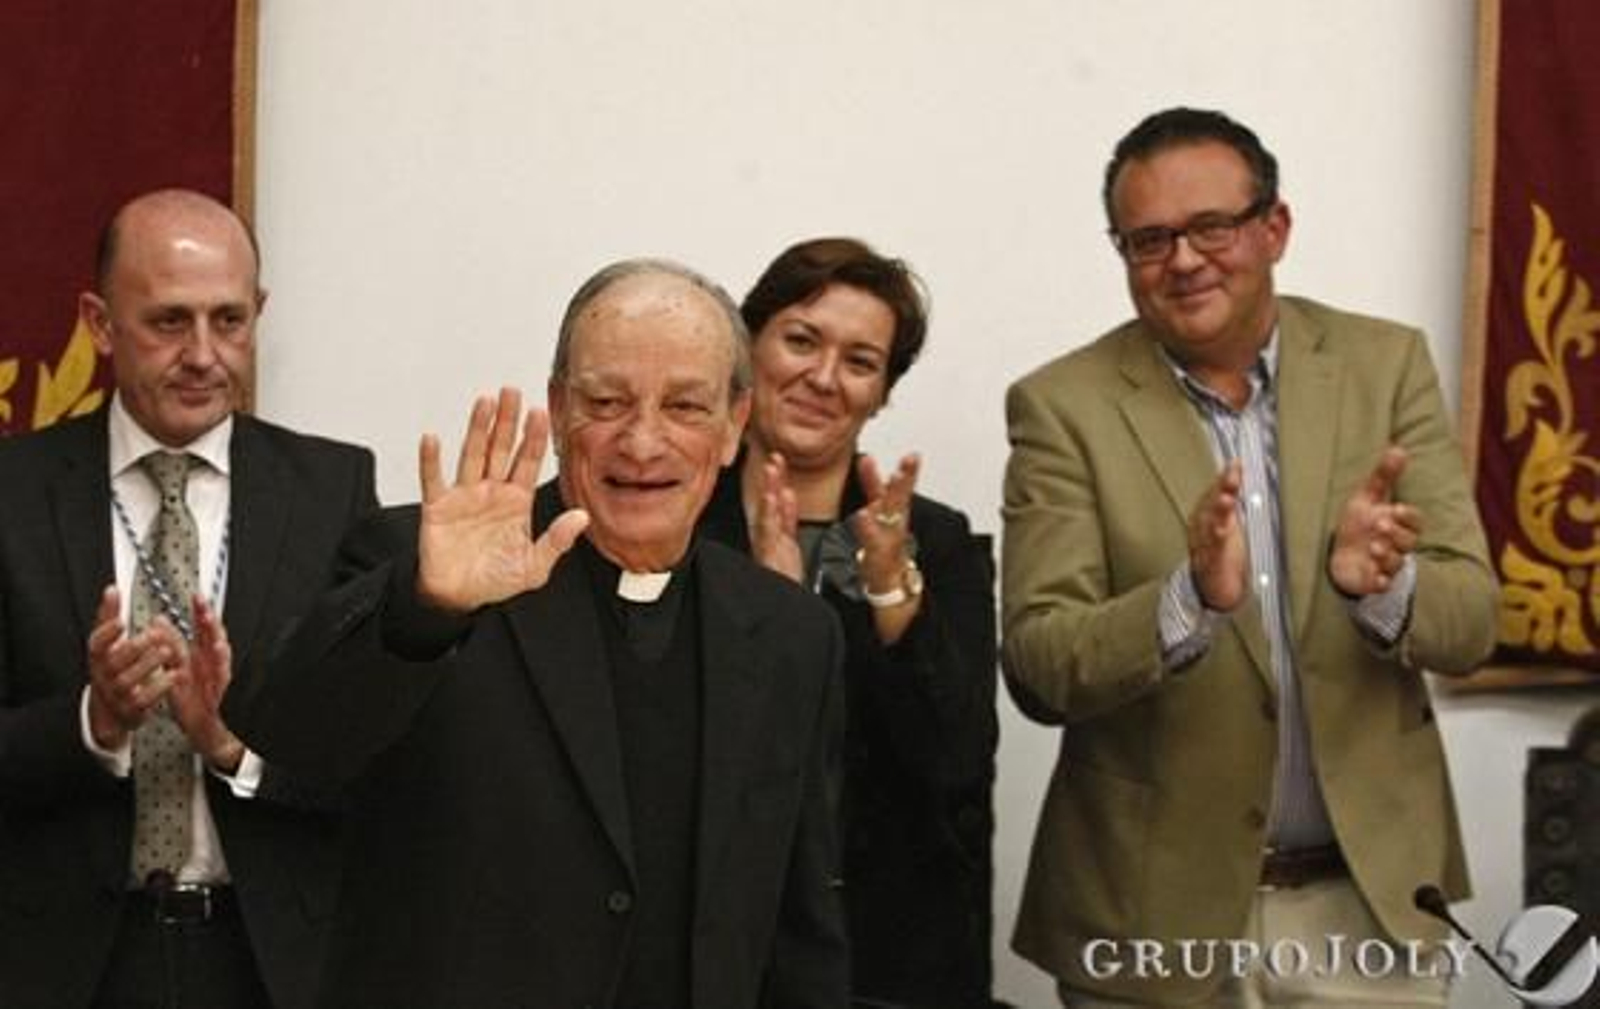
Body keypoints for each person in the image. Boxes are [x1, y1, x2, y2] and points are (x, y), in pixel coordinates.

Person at [228, 260, 849, 1009]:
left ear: (734, 425)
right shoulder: (425, 569)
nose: (643, 442)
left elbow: (799, 919)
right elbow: (292, 736)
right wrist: (423, 609)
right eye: (607, 401)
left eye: (685, 405)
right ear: (558, 409)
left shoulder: (791, 632)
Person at [1001, 108, 1499, 1006]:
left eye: (1211, 227)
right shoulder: (1061, 405)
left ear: (1275, 228)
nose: (1183, 260)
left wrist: (1382, 590)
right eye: (1148, 239)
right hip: (1150, 916)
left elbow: (1471, 626)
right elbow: (1040, 665)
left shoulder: (1384, 365)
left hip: (1368, 907)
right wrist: (1185, 599)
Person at [0, 189, 378, 1009]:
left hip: (265, 957)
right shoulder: (14, 494)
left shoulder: (333, 491)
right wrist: (93, 724)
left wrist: (229, 744)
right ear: (100, 324)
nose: (205, 354)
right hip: (61, 962)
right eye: (170, 322)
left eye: (230, 320)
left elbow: (367, 759)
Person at [698, 237, 1001, 1009]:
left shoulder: (935, 542)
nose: (824, 378)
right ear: (747, 347)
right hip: (709, 946)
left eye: (861, 361)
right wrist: (770, 615)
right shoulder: (672, 519)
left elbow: (957, 765)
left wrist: (891, 590)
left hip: (891, 962)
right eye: (801, 340)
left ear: (882, 392)